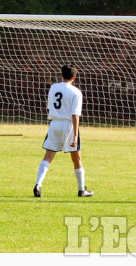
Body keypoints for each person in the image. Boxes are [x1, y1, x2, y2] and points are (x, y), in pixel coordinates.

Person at [34, 64, 93, 198]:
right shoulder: (76, 92)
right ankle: (81, 190)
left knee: (48, 156)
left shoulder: (53, 87)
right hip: (69, 126)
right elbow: (75, 114)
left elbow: (50, 107)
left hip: (54, 124)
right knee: (76, 158)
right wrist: (75, 135)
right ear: (74, 77)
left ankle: (38, 184)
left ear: (61, 75)